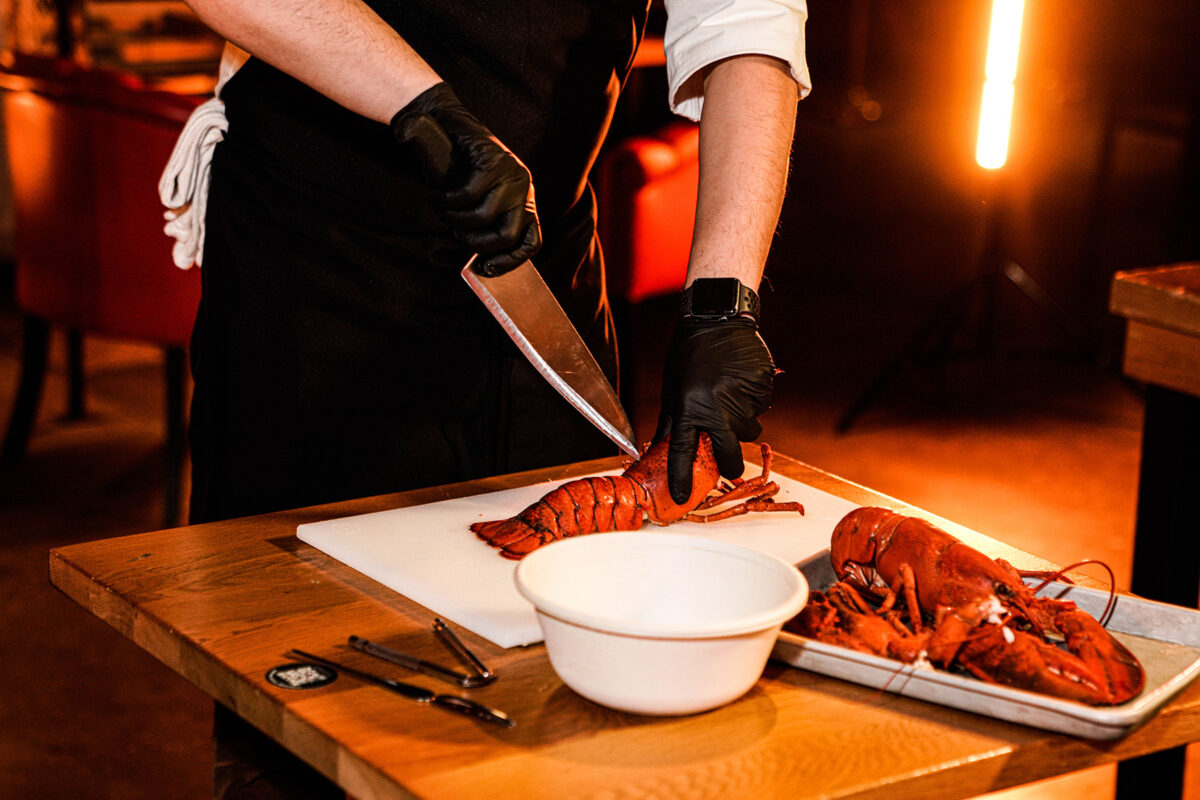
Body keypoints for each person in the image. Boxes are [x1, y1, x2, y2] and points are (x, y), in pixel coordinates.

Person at [175, 0, 810, 796]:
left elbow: (744, 27)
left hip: (541, 268)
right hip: (316, 264)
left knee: (562, 696)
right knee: (303, 703)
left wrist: (724, 302)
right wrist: (423, 107)